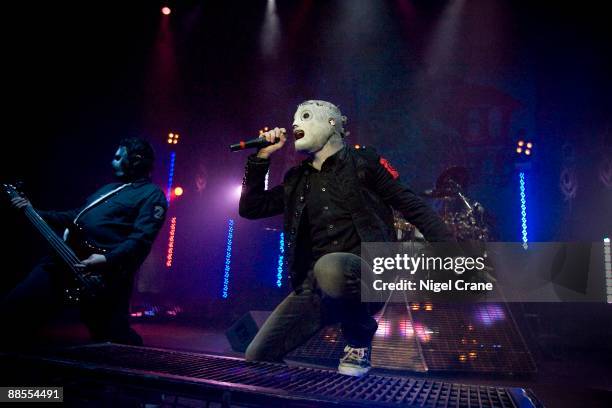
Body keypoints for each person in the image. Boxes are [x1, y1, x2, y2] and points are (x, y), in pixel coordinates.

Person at [239, 100, 453, 376]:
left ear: (332, 124)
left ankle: (358, 339)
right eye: (294, 119)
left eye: (304, 116)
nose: (294, 124)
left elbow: (413, 206)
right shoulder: (297, 179)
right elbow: (251, 208)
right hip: (315, 288)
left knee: (331, 266)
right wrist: (261, 158)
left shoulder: (365, 163)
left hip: (366, 276)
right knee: (257, 356)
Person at [2, 137, 167, 348]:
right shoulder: (109, 189)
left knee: (115, 342)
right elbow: (76, 216)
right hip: (62, 262)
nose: (112, 162)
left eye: (118, 157)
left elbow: (141, 240)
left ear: (136, 160)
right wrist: (33, 211)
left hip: (101, 276)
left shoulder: (152, 195)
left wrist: (106, 259)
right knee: (14, 310)